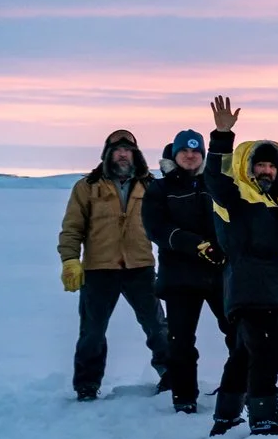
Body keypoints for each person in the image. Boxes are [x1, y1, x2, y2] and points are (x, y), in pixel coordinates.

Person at [202, 97, 278, 436]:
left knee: (243, 355)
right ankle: (264, 420)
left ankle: (225, 418)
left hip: (270, 292)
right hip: (249, 289)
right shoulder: (236, 199)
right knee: (268, 355)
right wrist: (222, 136)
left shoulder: (276, 206)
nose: (266, 171)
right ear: (248, 168)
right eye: (260, 165)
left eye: (272, 166)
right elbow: (215, 178)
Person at [58, 129, 169, 401]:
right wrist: (70, 260)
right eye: (117, 150)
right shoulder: (87, 187)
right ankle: (87, 385)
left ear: (135, 154)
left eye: (127, 150)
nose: (122, 155)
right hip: (99, 269)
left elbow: (167, 225)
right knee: (92, 332)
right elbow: (72, 228)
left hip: (140, 267)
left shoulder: (151, 186)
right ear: (107, 154)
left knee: (157, 327)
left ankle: (171, 376)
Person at [142, 129, 230, 414]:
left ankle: (238, 388)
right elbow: (157, 228)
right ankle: (184, 397)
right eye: (184, 151)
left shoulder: (214, 183)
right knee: (180, 341)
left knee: (238, 333)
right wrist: (195, 244)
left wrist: (221, 247)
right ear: (174, 154)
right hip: (179, 277)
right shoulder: (160, 189)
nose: (190, 156)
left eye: (195, 151)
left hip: (218, 273)